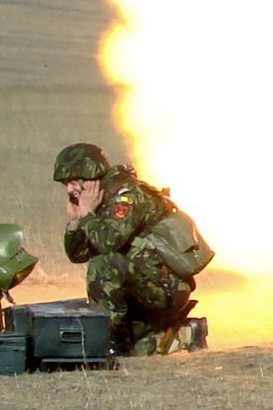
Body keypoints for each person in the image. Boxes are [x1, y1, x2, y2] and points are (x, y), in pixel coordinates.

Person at [54, 142, 211, 354]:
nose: (69, 190)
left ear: (90, 177)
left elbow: (108, 243)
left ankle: (111, 343)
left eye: (73, 182)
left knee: (103, 263)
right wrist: (75, 222)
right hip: (142, 284)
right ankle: (187, 332)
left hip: (166, 287)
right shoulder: (98, 201)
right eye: (66, 184)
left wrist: (88, 216)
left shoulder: (127, 196)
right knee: (139, 349)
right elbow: (78, 254)